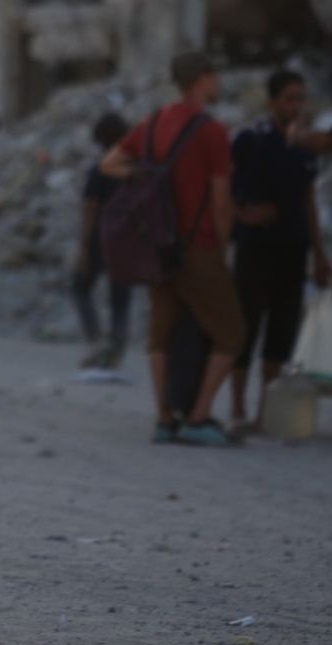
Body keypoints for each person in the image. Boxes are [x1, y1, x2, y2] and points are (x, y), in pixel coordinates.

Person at [101, 52, 244, 446]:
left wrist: (142, 174)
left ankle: (164, 420)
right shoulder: (211, 131)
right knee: (231, 333)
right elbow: (220, 201)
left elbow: (109, 163)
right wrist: (222, 248)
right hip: (198, 245)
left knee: (160, 334)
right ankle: (198, 418)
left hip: (158, 244)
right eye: (214, 75)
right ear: (200, 80)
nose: (217, 82)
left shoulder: (152, 123)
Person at [229, 69, 331, 431]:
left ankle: (264, 412)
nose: (296, 105)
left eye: (301, 98)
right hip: (256, 248)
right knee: (246, 327)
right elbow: (224, 184)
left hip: (292, 249)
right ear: (272, 102)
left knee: (282, 331)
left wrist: (319, 254)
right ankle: (237, 408)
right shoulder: (252, 139)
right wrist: (244, 215)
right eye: (289, 98)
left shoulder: (303, 146)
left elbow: (307, 199)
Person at [73, 112, 133, 369]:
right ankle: (116, 349)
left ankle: (96, 341)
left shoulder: (100, 169)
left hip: (101, 238)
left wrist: (84, 247)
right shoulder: (133, 170)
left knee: (80, 287)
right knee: (120, 297)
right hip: (128, 239)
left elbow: (90, 208)